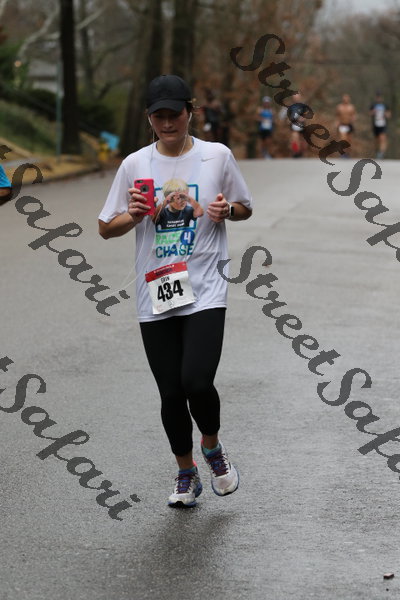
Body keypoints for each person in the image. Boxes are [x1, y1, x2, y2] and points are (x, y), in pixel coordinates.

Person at [98, 74, 252, 508]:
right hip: (157, 289)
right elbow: (105, 227)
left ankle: (212, 448)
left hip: (206, 286)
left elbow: (244, 206)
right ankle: (186, 473)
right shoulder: (135, 164)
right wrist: (132, 215)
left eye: (175, 114)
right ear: (149, 118)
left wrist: (226, 210)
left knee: (196, 381)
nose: (167, 123)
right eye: (158, 116)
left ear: (191, 111)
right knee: (170, 392)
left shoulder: (216, 155)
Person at [370, 92, 391, 159]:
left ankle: (381, 153)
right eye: (377, 97)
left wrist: (385, 114)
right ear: (376, 98)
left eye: (380, 97)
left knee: (382, 138)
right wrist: (374, 112)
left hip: (383, 124)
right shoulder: (373, 105)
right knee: (377, 140)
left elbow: (389, 115)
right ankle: (377, 151)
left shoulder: (385, 105)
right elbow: (370, 113)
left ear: (382, 98)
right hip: (376, 124)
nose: (379, 98)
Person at [288, 93, 307, 158]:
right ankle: (295, 153)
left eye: (297, 97)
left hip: (302, 125)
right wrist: (291, 120)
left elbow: (306, 115)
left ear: (300, 98)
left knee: (302, 140)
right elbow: (288, 116)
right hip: (294, 125)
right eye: (295, 97)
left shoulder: (303, 106)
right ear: (293, 98)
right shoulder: (290, 107)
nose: (296, 99)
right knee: (294, 138)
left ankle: (301, 153)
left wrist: (303, 118)